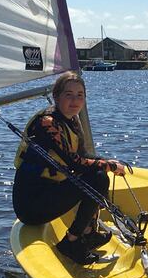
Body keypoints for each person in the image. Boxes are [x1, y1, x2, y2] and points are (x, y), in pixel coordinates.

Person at [13, 72, 126, 265]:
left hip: (51, 192)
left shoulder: (72, 120)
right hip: (31, 206)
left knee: (98, 174)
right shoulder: (46, 124)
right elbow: (74, 162)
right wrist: (110, 166)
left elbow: (83, 155)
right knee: (98, 178)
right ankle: (71, 242)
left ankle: (87, 233)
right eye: (69, 95)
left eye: (80, 95)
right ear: (56, 97)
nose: (75, 100)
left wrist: (106, 161)